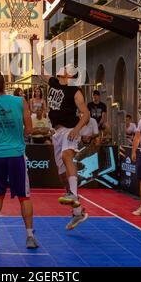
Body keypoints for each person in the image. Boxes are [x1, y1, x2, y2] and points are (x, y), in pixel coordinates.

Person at [0, 71, 38, 250]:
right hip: (16, 154)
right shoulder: (20, 102)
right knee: (24, 196)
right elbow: (29, 130)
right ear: (5, 84)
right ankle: (29, 237)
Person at [41, 63, 90, 230]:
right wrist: (33, 46)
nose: (62, 68)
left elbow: (86, 114)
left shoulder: (75, 91)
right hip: (57, 133)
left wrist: (77, 130)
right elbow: (40, 72)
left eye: (65, 67)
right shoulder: (54, 83)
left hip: (70, 129)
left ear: (69, 75)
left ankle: (74, 195)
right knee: (62, 176)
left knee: (67, 156)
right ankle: (78, 213)